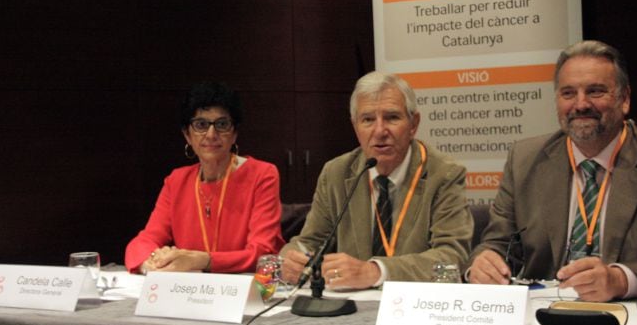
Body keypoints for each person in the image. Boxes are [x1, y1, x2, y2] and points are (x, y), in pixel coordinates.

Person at [466, 40, 637, 301]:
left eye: (595, 91)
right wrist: (484, 264)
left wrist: (620, 279)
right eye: (568, 93)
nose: (581, 104)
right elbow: (497, 244)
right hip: (543, 317)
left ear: (625, 99)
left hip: (630, 319)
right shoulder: (525, 159)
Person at [281, 72, 473, 289]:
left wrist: (376, 272)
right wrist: (291, 258)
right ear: (355, 126)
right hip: (350, 308)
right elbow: (308, 242)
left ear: (413, 124)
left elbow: (451, 258)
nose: (380, 131)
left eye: (392, 117)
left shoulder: (443, 174)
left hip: (414, 307)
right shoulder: (336, 173)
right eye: (368, 119)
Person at [125, 81, 284, 274]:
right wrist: (150, 264)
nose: (211, 134)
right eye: (201, 125)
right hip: (193, 292)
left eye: (222, 124)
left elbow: (263, 252)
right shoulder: (176, 181)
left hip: (244, 291)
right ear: (187, 135)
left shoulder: (262, 175)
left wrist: (202, 260)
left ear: (234, 134)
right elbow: (142, 242)